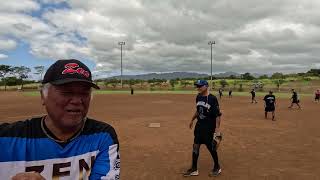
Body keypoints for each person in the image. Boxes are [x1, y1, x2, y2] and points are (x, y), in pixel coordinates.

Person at [0, 59, 120, 180]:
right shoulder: (5, 139)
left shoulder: (103, 136)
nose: (77, 101)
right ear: (43, 96)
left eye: (84, 93)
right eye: (66, 92)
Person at [184, 80, 222, 177]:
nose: (198, 88)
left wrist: (217, 129)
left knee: (211, 148)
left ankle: (217, 167)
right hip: (199, 126)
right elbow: (198, 110)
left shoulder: (212, 99)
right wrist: (192, 120)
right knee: (195, 146)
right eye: (197, 86)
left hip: (209, 128)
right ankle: (194, 168)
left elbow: (217, 115)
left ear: (206, 86)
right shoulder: (198, 96)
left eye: (200, 86)